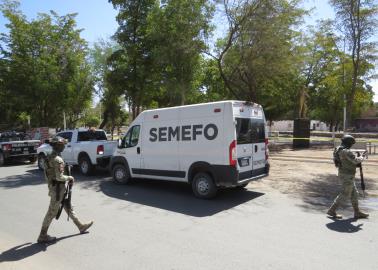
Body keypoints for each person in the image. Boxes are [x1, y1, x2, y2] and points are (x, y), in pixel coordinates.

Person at [37, 136, 93, 243]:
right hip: (58, 189)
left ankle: (80, 226)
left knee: (68, 206)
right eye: (62, 145)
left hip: (55, 188)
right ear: (58, 146)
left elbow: (48, 175)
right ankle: (42, 235)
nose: (64, 146)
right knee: (51, 212)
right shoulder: (58, 160)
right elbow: (59, 177)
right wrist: (70, 177)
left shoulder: (48, 157)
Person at [327, 135, 369, 219]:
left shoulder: (338, 149)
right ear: (348, 143)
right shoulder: (346, 151)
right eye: (351, 144)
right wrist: (362, 157)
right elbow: (355, 160)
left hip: (344, 173)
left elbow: (345, 161)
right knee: (345, 193)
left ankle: (357, 212)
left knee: (354, 194)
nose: (351, 145)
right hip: (347, 175)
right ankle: (332, 210)